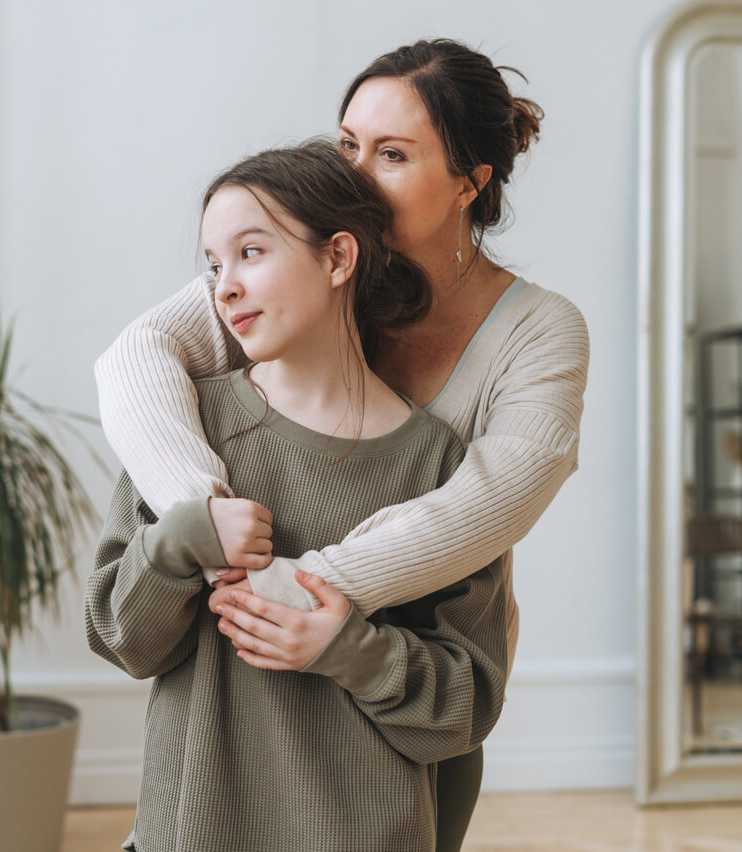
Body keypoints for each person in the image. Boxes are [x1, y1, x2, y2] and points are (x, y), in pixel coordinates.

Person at [94, 38, 589, 851]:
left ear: (470, 182)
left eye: (391, 154)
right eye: (348, 144)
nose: (355, 174)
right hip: (231, 724)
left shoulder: (536, 333)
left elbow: (483, 507)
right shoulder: (299, 269)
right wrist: (200, 517)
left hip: (391, 707)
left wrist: (302, 596)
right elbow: (133, 360)